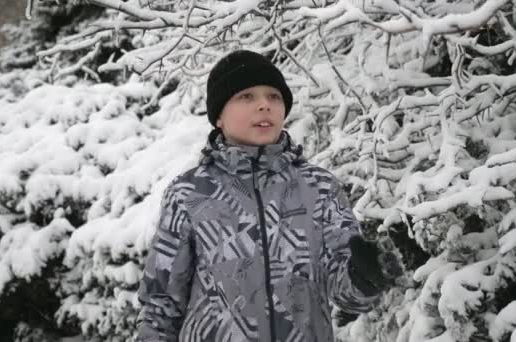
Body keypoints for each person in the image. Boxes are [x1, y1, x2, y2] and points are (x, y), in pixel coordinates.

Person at [136, 50, 403, 342]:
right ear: (219, 117)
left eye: (274, 97)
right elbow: (160, 305)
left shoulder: (319, 188)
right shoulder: (189, 194)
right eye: (247, 96)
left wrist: (364, 275)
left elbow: (345, 293)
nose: (264, 105)